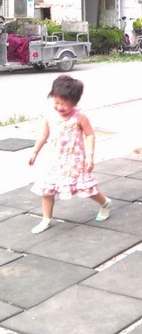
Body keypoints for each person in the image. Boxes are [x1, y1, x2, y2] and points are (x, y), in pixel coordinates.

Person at [29, 75, 111, 234]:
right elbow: (44, 135)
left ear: (75, 102)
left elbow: (89, 134)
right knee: (47, 189)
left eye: (64, 104)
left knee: (85, 188)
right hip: (54, 161)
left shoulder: (79, 117)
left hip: (74, 161)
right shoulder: (50, 115)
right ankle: (46, 219)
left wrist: (90, 156)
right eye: (56, 102)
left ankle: (105, 202)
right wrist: (35, 152)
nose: (59, 107)